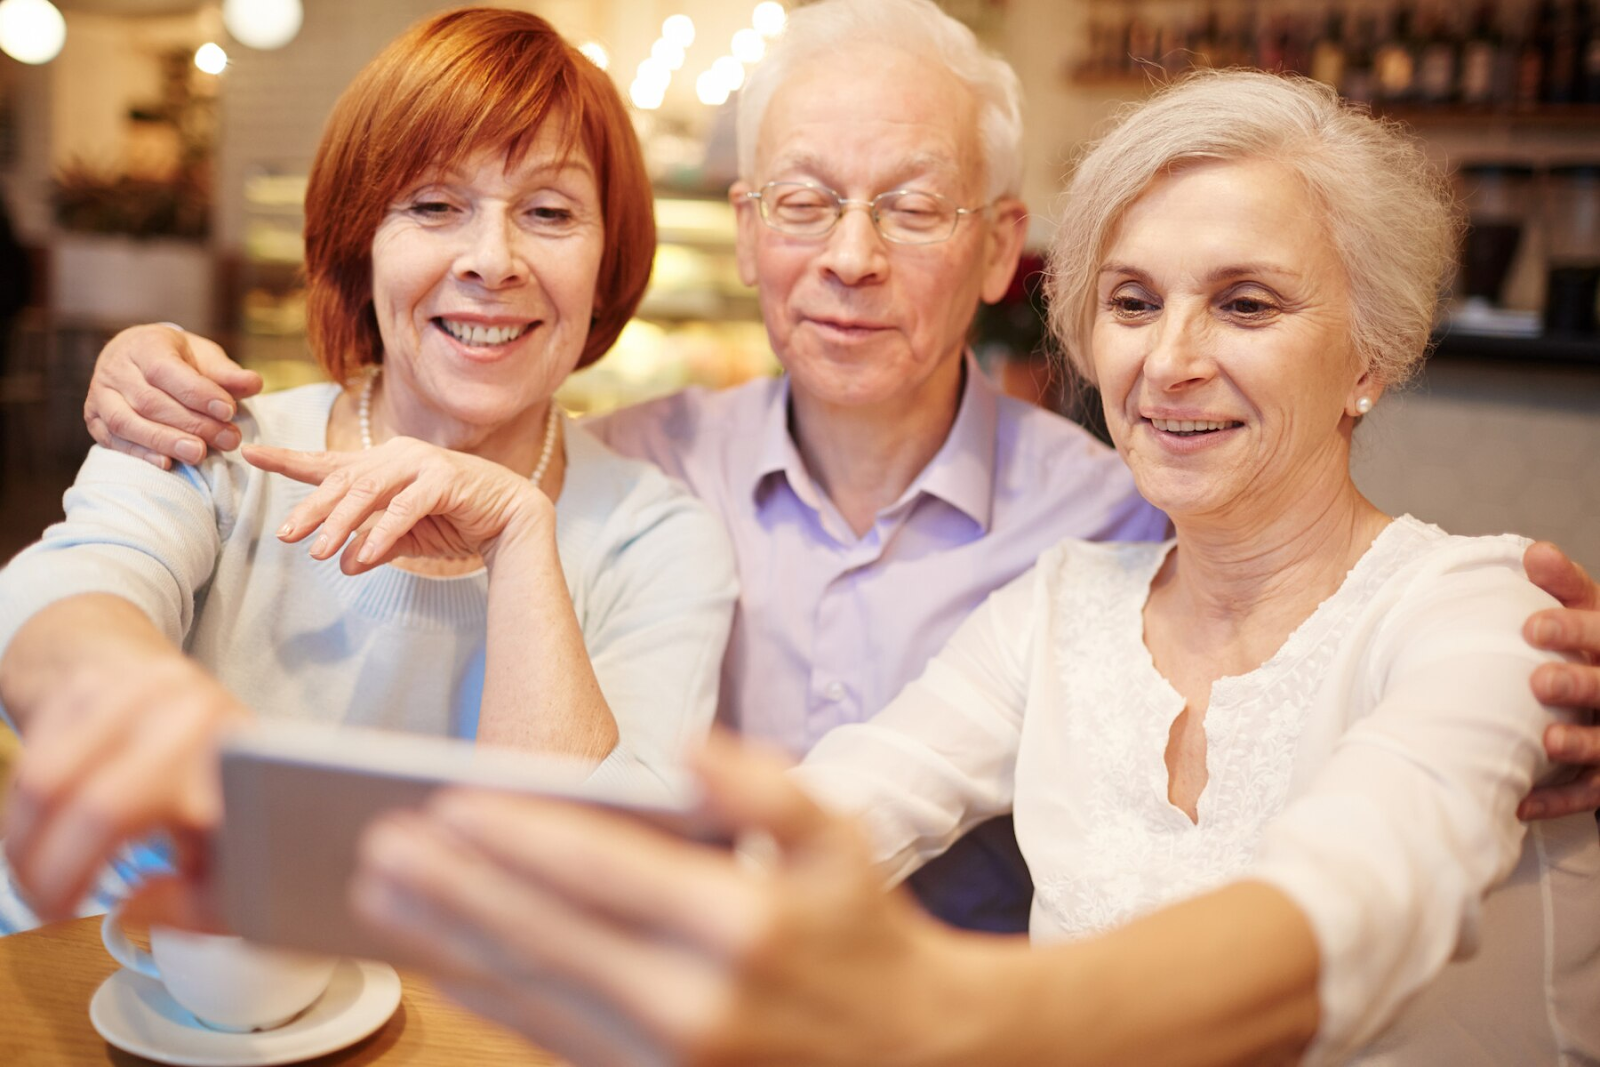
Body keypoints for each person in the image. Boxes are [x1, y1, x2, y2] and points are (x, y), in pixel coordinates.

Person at [341, 72, 1600, 1066]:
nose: (1169, 359)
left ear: (1371, 352)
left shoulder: (1489, 612)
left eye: (1247, 304)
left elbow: (1363, 902)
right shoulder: (1060, 609)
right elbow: (840, 808)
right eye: (1131, 300)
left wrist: (959, 1014)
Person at [73, 0, 1169, 934]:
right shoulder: (632, 467)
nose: (849, 258)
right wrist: (141, 369)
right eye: (802, 202)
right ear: (744, 236)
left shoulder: (1109, 523)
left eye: (913, 207)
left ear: (997, 245)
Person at [0, 9, 736, 933]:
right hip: (110, 972)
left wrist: (518, 537)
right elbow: (54, 598)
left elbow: (577, 887)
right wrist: (146, 710)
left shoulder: (655, 538)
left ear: (608, 263)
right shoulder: (221, 437)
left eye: (549, 212)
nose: (491, 261)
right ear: (360, 242)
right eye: (434, 206)